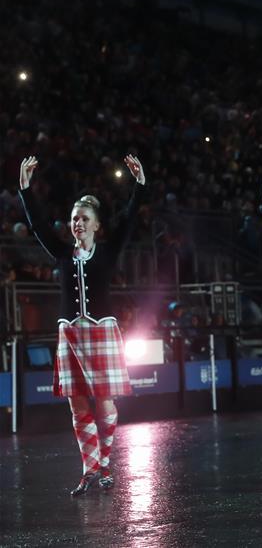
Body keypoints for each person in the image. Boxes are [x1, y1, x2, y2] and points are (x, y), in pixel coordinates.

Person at [18, 154, 146, 496]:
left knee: (104, 402)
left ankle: (104, 465)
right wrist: (25, 189)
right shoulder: (62, 253)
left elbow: (130, 219)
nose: (77, 223)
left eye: (84, 219)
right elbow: (38, 226)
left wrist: (139, 185)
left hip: (101, 332)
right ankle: (89, 469)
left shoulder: (107, 251)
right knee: (77, 405)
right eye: (74, 219)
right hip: (70, 334)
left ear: (96, 225)